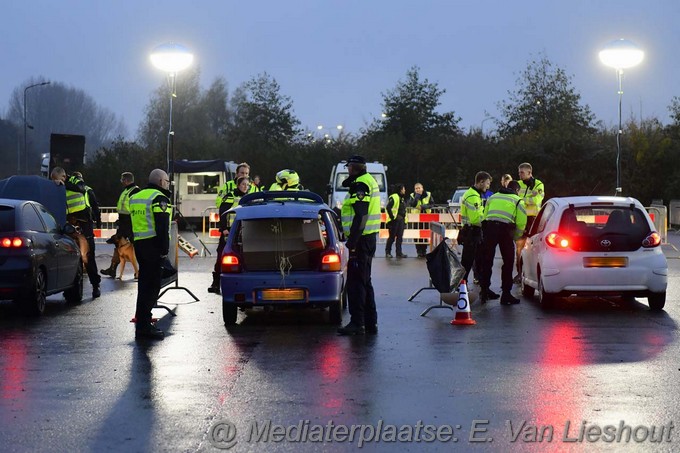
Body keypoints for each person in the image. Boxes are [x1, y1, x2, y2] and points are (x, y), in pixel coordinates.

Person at [337, 155, 381, 336]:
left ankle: (357, 323)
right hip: (368, 238)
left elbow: (361, 215)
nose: (347, 170)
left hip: (361, 241)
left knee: (356, 282)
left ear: (353, 167)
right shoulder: (368, 180)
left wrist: (352, 241)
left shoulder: (361, 184)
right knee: (365, 281)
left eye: (348, 167)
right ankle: (370, 322)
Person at [129, 169, 172, 340]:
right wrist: (164, 250)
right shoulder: (159, 198)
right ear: (161, 181)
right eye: (167, 182)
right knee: (152, 289)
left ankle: (142, 323)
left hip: (140, 245)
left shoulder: (136, 197)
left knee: (144, 286)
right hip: (154, 247)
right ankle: (145, 327)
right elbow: (162, 227)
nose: (168, 185)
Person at [478, 180, 527, 305]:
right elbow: (521, 223)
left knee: (487, 260)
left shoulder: (493, 197)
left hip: (490, 228)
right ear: (517, 190)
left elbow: (484, 215)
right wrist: (515, 237)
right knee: (508, 262)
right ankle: (506, 294)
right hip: (505, 230)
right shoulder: (518, 200)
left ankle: (484, 291)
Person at [208, 176, 250, 294]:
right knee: (221, 255)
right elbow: (223, 213)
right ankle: (216, 282)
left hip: (242, 232)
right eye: (243, 184)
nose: (245, 187)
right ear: (238, 185)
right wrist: (224, 228)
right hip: (229, 232)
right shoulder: (230, 196)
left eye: (247, 185)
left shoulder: (247, 198)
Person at [66, 171, 101, 298]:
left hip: (84, 223)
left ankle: (95, 285)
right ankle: (75, 287)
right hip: (70, 223)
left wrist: (98, 222)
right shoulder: (59, 187)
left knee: (87, 256)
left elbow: (95, 206)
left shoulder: (81, 186)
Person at [459, 172, 495, 296]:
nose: (488, 187)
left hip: (470, 232)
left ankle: (477, 287)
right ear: (481, 182)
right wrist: (487, 224)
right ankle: (463, 287)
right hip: (472, 232)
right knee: (470, 261)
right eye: (487, 183)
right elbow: (475, 219)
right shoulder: (473, 196)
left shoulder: (473, 194)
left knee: (473, 261)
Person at [101, 172, 141, 278]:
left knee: (135, 248)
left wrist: (130, 225)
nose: (121, 182)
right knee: (118, 245)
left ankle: (139, 272)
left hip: (130, 224)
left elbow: (135, 209)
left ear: (126, 180)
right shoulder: (126, 191)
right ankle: (113, 269)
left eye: (122, 180)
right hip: (123, 222)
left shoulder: (135, 191)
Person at [514, 163, 545, 283]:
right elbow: (515, 199)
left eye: (522, 172)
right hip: (521, 219)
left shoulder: (538, 184)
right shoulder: (518, 184)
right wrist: (528, 198)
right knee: (519, 248)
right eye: (519, 172)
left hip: (534, 220)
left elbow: (537, 200)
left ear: (529, 173)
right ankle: (519, 274)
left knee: (534, 248)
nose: (520, 175)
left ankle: (532, 274)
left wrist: (522, 199)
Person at [408, 183, 434, 258]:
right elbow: (412, 204)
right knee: (416, 235)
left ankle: (424, 251)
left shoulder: (428, 194)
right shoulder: (412, 195)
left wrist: (423, 207)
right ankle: (419, 251)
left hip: (426, 218)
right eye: (416, 188)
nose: (418, 189)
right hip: (416, 218)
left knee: (425, 234)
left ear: (422, 188)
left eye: (419, 188)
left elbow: (432, 204)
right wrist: (417, 196)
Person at [385, 183, 407, 258]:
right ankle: (388, 252)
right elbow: (388, 207)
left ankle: (399, 253)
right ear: (400, 190)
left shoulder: (402, 198)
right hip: (394, 221)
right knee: (392, 237)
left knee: (400, 237)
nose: (405, 190)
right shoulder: (394, 197)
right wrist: (392, 217)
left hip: (400, 220)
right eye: (404, 189)